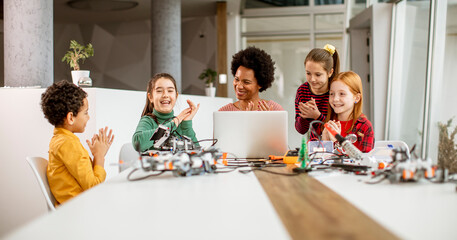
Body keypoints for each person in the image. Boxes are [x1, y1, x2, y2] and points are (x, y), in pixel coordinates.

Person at [40, 80, 114, 205]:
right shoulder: (69, 144)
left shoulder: (59, 140)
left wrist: (96, 156)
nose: (88, 117)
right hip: (79, 210)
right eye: (85, 113)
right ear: (70, 117)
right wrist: (99, 156)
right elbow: (94, 188)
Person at [132, 73, 200, 152]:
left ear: (176, 96)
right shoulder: (148, 121)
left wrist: (186, 124)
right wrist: (175, 122)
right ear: (150, 97)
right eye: (159, 91)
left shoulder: (181, 124)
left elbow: (197, 153)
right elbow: (138, 143)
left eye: (170, 91)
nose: (165, 95)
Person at [319, 71, 374, 153]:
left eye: (342, 94)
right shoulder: (326, 123)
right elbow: (317, 157)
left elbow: (363, 160)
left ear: (357, 98)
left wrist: (337, 141)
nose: (335, 99)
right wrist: (325, 143)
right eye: (332, 94)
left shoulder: (364, 127)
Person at [219, 46, 283, 111]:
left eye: (246, 82)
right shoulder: (225, 111)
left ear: (260, 84)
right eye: (237, 79)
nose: (239, 86)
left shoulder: (274, 110)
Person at [295, 44, 340, 135]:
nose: (312, 79)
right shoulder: (302, 91)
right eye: (308, 73)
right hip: (314, 146)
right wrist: (304, 116)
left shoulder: (336, 91)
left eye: (318, 75)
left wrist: (317, 116)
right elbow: (301, 130)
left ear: (330, 72)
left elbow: (338, 130)